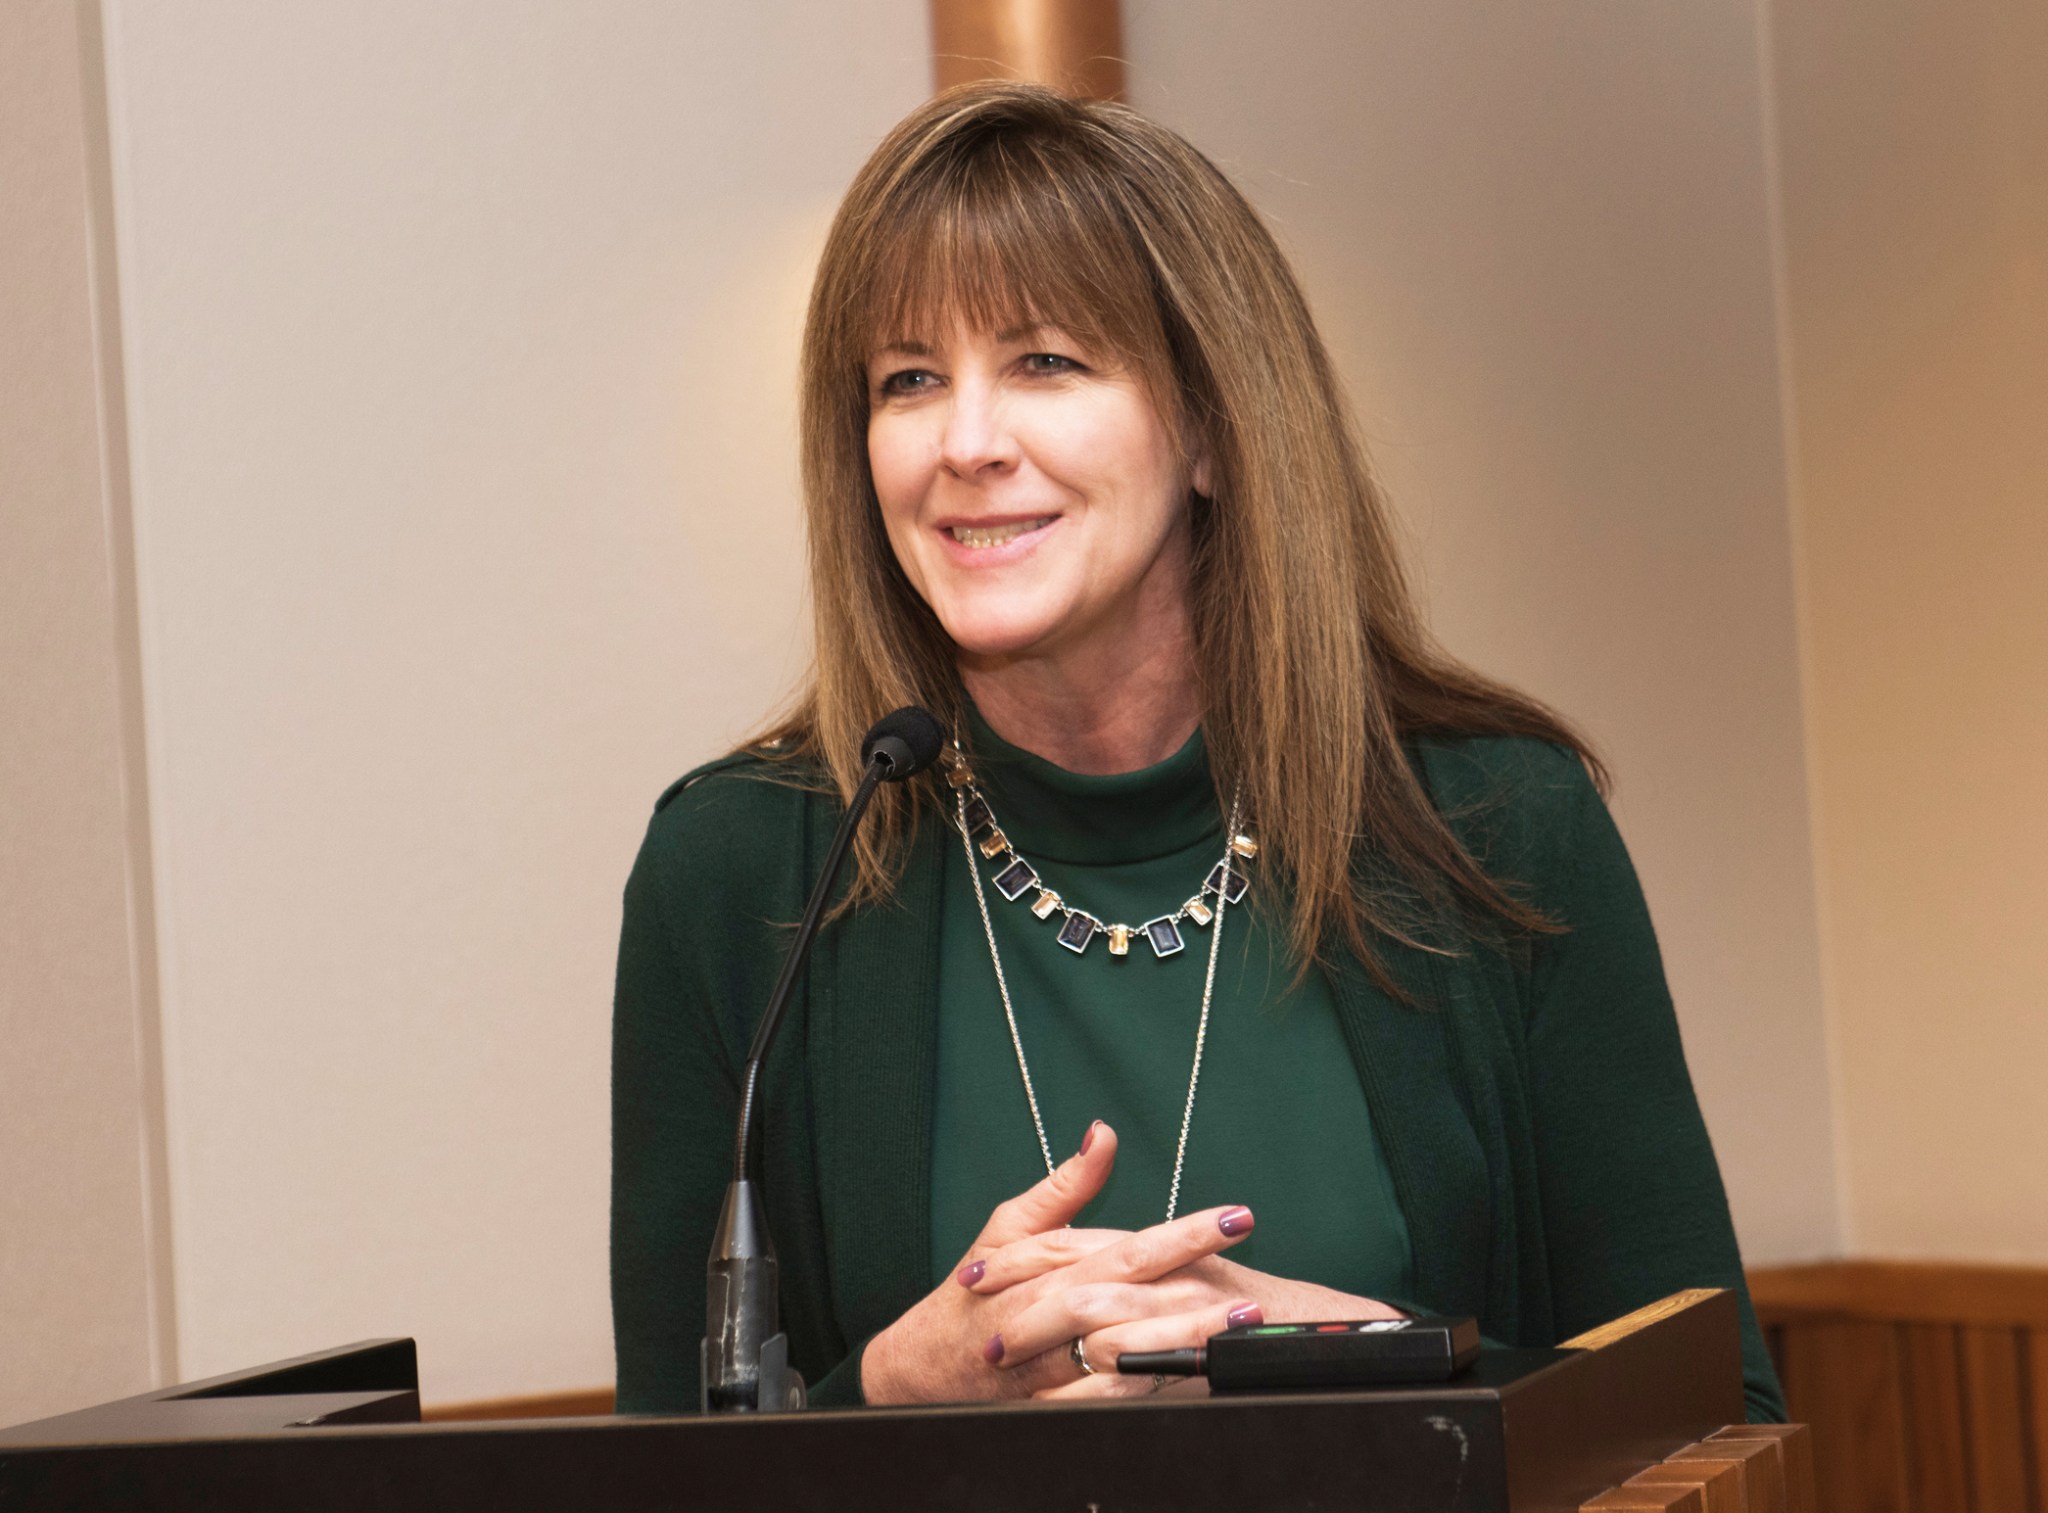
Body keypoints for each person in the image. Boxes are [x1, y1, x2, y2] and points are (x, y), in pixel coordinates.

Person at [610, 80, 1786, 1420]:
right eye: (909, 379)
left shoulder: (1502, 827)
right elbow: (662, 1475)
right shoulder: (739, 872)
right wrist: (883, 1391)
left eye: (1045, 360)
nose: (967, 441)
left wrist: (1392, 1360)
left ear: (1214, 425)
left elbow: (1718, 1421)